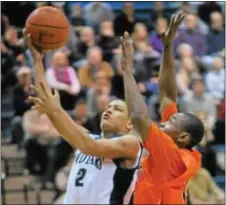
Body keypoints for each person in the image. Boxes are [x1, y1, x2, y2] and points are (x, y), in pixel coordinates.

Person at [23, 30, 143, 204]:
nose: (108, 110)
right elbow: (45, 98)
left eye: (116, 109)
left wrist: (56, 110)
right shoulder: (86, 138)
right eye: (108, 107)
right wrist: (38, 60)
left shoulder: (130, 145)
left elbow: (89, 146)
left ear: (129, 124)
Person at [121, 11, 204, 204]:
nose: (164, 122)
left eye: (170, 122)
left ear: (183, 137)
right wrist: (167, 48)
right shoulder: (176, 145)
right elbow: (167, 94)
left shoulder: (169, 151)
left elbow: (139, 117)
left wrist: (127, 71)